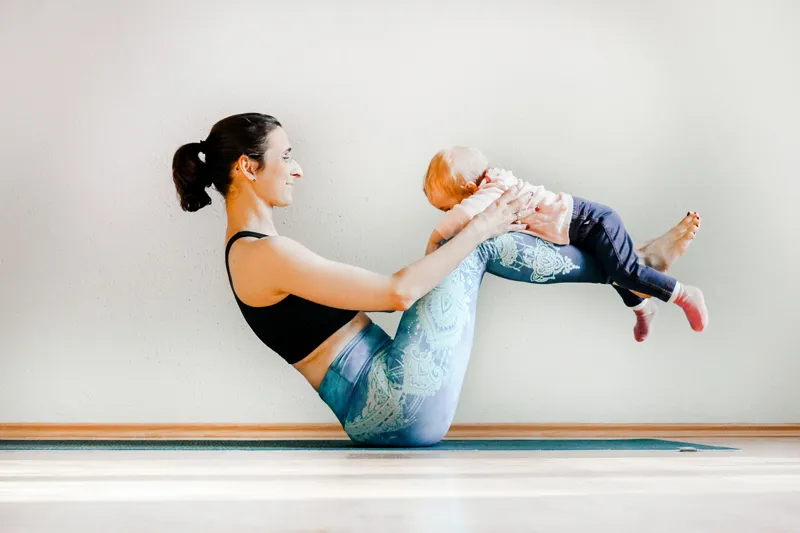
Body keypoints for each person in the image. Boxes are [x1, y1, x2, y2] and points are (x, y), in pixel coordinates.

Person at [172, 113, 695, 447]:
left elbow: (402, 291)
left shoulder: (257, 252)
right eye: (286, 156)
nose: (298, 168)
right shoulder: (263, 256)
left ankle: (628, 267)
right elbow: (397, 294)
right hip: (392, 405)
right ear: (246, 166)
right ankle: (629, 267)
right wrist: (481, 227)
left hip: (389, 404)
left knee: (465, 237)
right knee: (476, 234)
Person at [423, 147, 707, 342]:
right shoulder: (493, 183)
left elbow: (462, 216)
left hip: (592, 222)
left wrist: (436, 238)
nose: (449, 213)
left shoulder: (492, 191)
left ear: (471, 191)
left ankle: (683, 294)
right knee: (612, 274)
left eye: (446, 207)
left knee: (623, 271)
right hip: (578, 228)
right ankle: (644, 307)